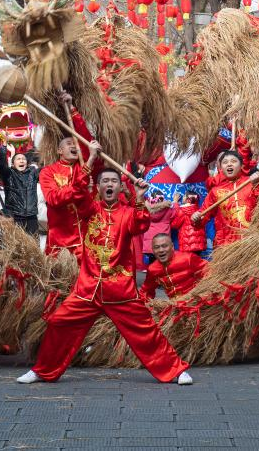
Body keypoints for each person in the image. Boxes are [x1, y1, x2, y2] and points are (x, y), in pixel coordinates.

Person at [16, 162, 193, 385]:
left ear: (120, 187)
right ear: (98, 187)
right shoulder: (89, 210)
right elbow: (78, 193)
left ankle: (175, 370)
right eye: (105, 182)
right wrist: (89, 163)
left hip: (120, 290)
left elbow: (141, 225)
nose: (110, 185)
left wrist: (139, 197)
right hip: (87, 288)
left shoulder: (128, 213)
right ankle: (43, 370)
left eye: (114, 181)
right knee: (59, 322)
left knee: (146, 330)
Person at [39, 135, 98, 257]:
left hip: (85, 235)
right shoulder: (48, 171)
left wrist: (92, 156)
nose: (74, 146)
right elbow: (53, 198)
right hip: (61, 238)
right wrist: (80, 187)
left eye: (76, 144)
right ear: (59, 151)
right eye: (69, 143)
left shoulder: (82, 166)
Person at [192, 151, 259, 248]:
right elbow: (203, 216)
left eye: (233, 161)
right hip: (226, 245)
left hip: (254, 241)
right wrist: (197, 218)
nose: (229, 164)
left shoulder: (252, 182)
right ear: (220, 168)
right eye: (225, 162)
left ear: (241, 165)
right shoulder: (215, 191)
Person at [141, 233, 208, 299]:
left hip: (197, 303)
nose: (161, 250)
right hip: (175, 307)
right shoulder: (152, 269)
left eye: (164, 246)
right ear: (152, 250)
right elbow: (146, 292)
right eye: (156, 247)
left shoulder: (188, 258)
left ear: (172, 246)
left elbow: (209, 273)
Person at [0, 146, 40, 238]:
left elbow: (46, 172)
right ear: (12, 164)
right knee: (16, 245)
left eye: (23, 159)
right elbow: (1, 165)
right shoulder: (8, 174)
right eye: (18, 159)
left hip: (32, 217)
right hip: (15, 217)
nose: (21, 160)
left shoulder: (33, 173)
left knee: (33, 246)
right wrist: (3, 147)